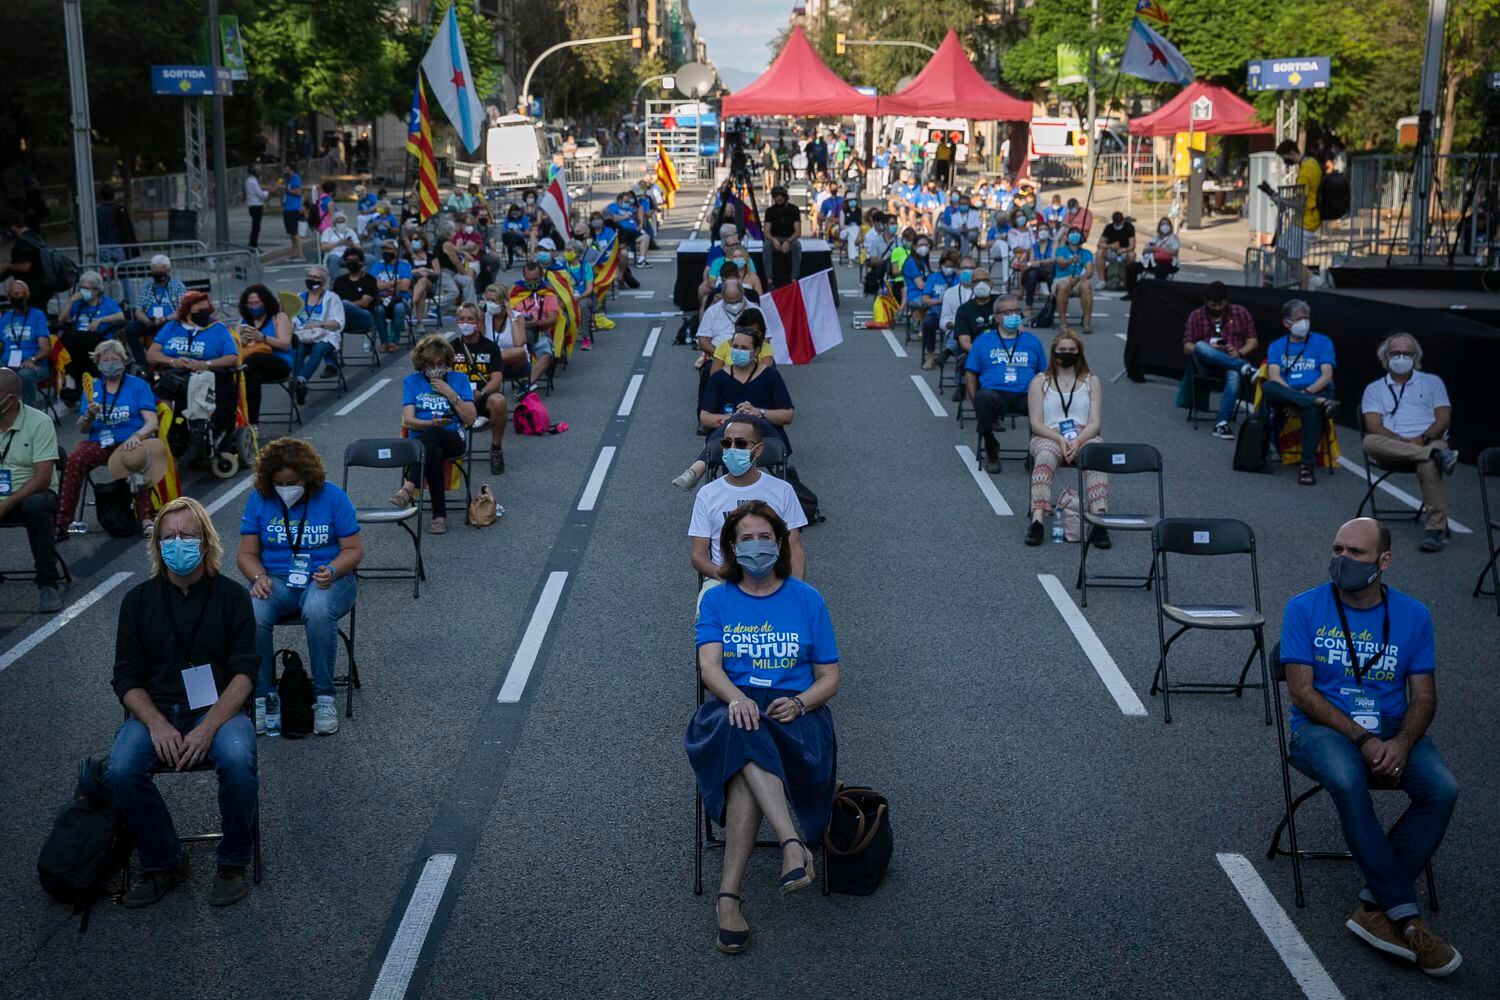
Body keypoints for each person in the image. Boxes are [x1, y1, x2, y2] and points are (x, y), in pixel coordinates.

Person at [1279, 517, 1460, 977]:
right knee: (1347, 777)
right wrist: (1363, 740)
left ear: (1384, 561)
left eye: (1355, 553)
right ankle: (1405, 915)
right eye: (1337, 549)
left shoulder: (1413, 615)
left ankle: (1372, 907)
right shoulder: (1304, 608)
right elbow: (1301, 692)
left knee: (1442, 789)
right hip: (1322, 730)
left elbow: (1424, 696)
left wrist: (1400, 743)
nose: (1342, 560)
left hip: (1393, 729)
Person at [685, 501, 840, 955]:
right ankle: (791, 842)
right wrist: (737, 697)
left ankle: (728, 899)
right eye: (746, 539)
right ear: (731, 547)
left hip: (796, 715)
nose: (756, 546)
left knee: (745, 755)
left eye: (765, 538)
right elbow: (708, 667)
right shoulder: (715, 597)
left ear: (779, 544)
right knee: (742, 725)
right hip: (732, 705)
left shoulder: (807, 599)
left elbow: (829, 678)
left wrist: (799, 701)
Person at [107, 496, 258, 908]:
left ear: (205, 543)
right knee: (120, 770)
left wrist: (208, 727)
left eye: (187, 535)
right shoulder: (137, 602)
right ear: (157, 545)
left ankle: (233, 861)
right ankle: (164, 861)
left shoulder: (231, 597)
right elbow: (125, 678)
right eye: (168, 536)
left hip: (219, 712)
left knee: (238, 762)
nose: (178, 543)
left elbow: (245, 673)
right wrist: (156, 724)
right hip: (157, 713)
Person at [237, 437, 363, 736]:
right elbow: (246, 554)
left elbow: (354, 550)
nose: (285, 489)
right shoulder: (259, 499)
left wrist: (332, 570)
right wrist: (258, 578)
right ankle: (264, 697)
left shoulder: (333, 497)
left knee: (317, 608)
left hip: (329, 580)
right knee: (251, 610)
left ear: (307, 476)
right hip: (278, 581)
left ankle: (323, 696)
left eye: (292, 482)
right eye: (279, 483)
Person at [1359, 333, 1460, 553]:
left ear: (1415, 356)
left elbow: (1444, 417)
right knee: (1369, 442)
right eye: (1396, 353)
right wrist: (1401, 441)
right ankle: (1434, 456)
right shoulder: (1374, 389)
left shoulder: (1433, 382)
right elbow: (1373, 424)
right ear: (1387, 356)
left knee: (1429, 461)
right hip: (1392, 447)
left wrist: (1422, 439)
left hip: (1430, 442)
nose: (1402, 357)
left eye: (1407, 353)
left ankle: (1434, 530)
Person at [687, 414, 808, 597]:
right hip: (723, 579)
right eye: (727, 444)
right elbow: (698, 554)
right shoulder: (707, 494)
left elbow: (795, 548)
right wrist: (725, 576)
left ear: (758, 450)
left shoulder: (783, 490)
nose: (732, 449)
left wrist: (795, 590)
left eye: (741, 444)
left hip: (774, 578)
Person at [55, 340, 159, 533]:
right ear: (98, 363)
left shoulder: (138, 386)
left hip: (130, 441)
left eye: (115, 359)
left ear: (123, 361)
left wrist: (137, 435)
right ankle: (62, 520)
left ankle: (146, 517)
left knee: (139, 457)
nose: (110, 363)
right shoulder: (92, 389)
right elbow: (83, 429)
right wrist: (89, 415)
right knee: (75, 460)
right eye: (106, 360)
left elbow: (152, 422)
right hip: (100, 442)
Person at [675, 325, 794, 491]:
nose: (738, 351)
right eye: (735, 347)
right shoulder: (718, 378)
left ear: (756, 351)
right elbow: (705, 417)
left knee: (747, 419)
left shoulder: (770, 376)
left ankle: (696, 469)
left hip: (764, 434)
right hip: (726, 436)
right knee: (736, 424)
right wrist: (731, 420)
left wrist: (759, 412)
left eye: (744, 348)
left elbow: (787, 415)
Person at [1024, 330, 1110, 548]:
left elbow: (1095, 422)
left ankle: (1099, 519)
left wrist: (1078, 440)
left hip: (1083, 434)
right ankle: (1038, 519)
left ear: (1079, 353)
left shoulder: (1091, 381)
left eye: (1072, 350)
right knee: (1044, 455)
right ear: (1054, 352)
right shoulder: (1040, 381)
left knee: (1096, 455)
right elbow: (1036, 422)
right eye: (1062, 350)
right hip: (1048, 433)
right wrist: (1060, 439)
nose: (1067, 353)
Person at [392, 334, 476, 535]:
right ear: (421, 364)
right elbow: (410, 420)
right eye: (430, 363)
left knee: (435, 435)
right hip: (422, 440)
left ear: (447, 362)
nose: (435, 367)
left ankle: (409, 485)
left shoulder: (459, 379)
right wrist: (430, 423)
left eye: (440, 363)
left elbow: (471, 419)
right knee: (433, 448)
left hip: (453, 439)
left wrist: (450, 393)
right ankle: (439, 516)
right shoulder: (411, 382)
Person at [145, 291, 240, 454]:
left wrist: (206, 364)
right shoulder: (171, 327)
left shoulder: (217, 328)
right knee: (162, 386)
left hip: (211, 375)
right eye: (199, 312)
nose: (204, 315)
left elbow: (232, 357)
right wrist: (173, 361)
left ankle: (198, 435)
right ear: (187, 312)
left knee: (196, 382)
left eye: (206, 310)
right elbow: (152, 354)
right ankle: (163, 432)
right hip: (176, 374)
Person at [0, 368, 62, 612]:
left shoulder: (39, 422)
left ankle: (47, 583)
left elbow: (43, 478)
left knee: (36, 505)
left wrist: (7, 502)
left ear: (11, 399)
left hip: (30, 495)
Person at [964, 295, 1046, 474]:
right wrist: (974, 400)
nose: (1013, 315)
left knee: (1044, 402)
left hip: (1025, 395)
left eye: (1016, 311)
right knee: (983, 398)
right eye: (1007, 312)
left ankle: (1034, 451)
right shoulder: (983, 341)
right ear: (997, 318)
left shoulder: (1032, 341)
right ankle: (991, 446)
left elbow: (1044, 374)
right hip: (994, 394)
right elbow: (970, 373)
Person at [1262, 299, 1337, 486]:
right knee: (1268, 387)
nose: (1304, 322)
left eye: (1306, 317)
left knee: (1312, 411)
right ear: (1287, 323)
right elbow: (1274, 375)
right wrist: (1295, 398)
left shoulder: (1322, 342)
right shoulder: (1277, 346)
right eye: (1299, 319)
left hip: (1317, 390)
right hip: (1289, 393)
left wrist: (1305, 394)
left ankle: (1306, 466)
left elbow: (1327, 375)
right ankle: (1316, 402)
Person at [1182, 280, 1259, 440]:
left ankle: (1221, 423)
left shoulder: (1240, 313)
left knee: (1234, 375)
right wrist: (1212, 350)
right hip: (1207, 364)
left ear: (1226, 300)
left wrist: (1239, 352)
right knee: (1201, 346)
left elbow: (1253, 341)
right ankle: (1245, 368)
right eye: (1213, 305)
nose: (1217, 308)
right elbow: (1187, 346)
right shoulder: (1196, 316)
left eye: (1220, 305)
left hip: (1232, 360)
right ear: (1206, 301)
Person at [451, 302, 510, 474]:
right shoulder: (451, 347)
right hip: (458, 398)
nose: (465, 323)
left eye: (470, 319)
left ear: (478, 322)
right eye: (461, 319)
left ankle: (496, 448)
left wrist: (481, 393)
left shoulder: (490, 347)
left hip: (482, 396)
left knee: (499, 401)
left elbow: (497, 379)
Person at [234, 285, 294, 426]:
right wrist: (241, 341)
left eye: (257, 303)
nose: (254, 306)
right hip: (251, 366)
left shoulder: (279, 317)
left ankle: (236, 378)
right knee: (253, 376)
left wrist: (263, 338)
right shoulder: (243, 322)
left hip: (278, 362)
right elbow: (234, 347)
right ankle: (252, 424)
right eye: (250, 304)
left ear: (265, 302)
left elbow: (285, 344)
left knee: (255, 360)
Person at [59, 270, 126, 391]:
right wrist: (71, 301)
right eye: (81, 288)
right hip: (78, 341)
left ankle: (92, 379)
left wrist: (100, 320)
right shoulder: (78, 303)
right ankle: (71, 380)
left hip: (98, 339)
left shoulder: (106, 303)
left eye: (87, 288)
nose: (83, 291)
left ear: (97, 289)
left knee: (78, 338)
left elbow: (120, 316)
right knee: (66, 338)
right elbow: (61, 319)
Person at [1276, 139, 1323, 290]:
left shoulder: (1304, 173)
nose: (1285, 161)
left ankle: (1312, 282)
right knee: (1281, 250)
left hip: (1305, 221)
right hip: (1302, 220)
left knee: (1294, 259)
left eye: (1284, 157)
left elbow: (1299, 204)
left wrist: (1280, 201)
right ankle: (1307, 282)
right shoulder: (1313, 163)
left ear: (1291, 154)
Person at [507, 262, 560, 396]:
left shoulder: (548, 295)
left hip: (539, 332)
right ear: (523, 277)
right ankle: (524, 382)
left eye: (535, 279)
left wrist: (537, 323)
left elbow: (553, 318)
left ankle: (526, 384)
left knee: (546, 355)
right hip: (518, 333)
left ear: (541, 277)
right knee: (516, 351)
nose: (531, 283)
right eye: (528, 280)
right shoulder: (515, 292)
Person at [126, 255, 188, 364]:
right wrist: (146, 320)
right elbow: (138, 310)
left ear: (168, 271)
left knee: (171, 329)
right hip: (150, 321)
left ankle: (168, 360)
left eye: (161, 273)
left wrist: (165, 318)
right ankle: (142, 363)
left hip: (170, 321)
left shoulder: (178, 286)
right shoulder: (146, 286)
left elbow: (181, 311)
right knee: (131, 329)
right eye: (156, 273)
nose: (158, 276)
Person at [2, 278, 51, 407]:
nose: (20, 297)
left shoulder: (37, 316)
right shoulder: (5, 319)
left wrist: (32, 359)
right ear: (9, 296)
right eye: (16, 294)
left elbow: (45, 348)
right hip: (8, 364)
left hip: (34, 365)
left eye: (23, 293)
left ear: (28, 295)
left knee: (25, 374)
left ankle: (28, 414)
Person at [919, 250, 959, 370]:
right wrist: (938, 301)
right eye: (947, 266)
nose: (949, 269)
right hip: (936, 312)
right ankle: (931, 356)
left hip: (954, 314)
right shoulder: (933, 278)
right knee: (927, 323)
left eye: (952, 266)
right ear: (941, 264)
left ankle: (951, 352)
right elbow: (924, 299)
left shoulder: (958, 279)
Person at [332, 248, 378, 355]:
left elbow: (364, 303)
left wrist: (344, 305)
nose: (351, 263)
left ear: (361, 262)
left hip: (365, 318)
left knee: (344, 304)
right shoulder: (339, 281)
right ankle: (332, 361)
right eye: (348, 260)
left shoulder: (370, 280)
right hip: (344, 321)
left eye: (354, 260)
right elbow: (333, 303)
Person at [1051, 226, 1095, 334]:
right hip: (1061, 279)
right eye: (1072, 233)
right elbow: (1060, 263)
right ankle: (1063, 322)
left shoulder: (1086, 253)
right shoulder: (1060, 250)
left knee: (1086, 285)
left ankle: (1086, 322)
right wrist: (1070, 260)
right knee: (1063, 286)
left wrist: (1079, 279)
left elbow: (1089, 271)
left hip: (1078, 280)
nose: (1075, 234)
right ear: (1067, 237)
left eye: (1077, 233)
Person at [371, 239, 413, 353]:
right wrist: (395, 283)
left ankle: (393, 341)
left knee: (399, 308)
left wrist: (383, 285)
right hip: (381, 299)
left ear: (396, 251)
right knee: (378, 310)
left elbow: (405, 286)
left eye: (388, 249)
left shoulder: (404, 266)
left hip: (400, 299)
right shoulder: (377, 266)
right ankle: (385, 342)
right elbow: (375, 286)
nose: (385, 251)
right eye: (383, 249)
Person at [1125, 217, 1179, 299]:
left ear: (1170, 227)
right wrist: (1149, 249)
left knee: (1160, 270)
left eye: (1167, 224)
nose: (1165, 226)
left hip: (1168, 263)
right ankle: (1132, 293)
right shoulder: (1155, 238)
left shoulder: (1173, 238)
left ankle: (1159, 295)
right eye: (1162, 224)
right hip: (1153, 261)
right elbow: (1145, 250)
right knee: (1132, 267)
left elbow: (1174, 252)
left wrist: (1157, 249)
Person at [762, 187, 802, 290]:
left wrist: (788, 241)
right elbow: (766, 232)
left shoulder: (794, 209)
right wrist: (773, 240)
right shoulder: (770, 211)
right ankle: (769, 280)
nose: (778, 199)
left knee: (797, 246)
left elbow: (797, 232)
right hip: (774, 238)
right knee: (766, 247)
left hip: (790, 238)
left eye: (780, 197)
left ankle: (794, 278)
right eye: (776, 197)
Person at [1094, 211, 1136, 287]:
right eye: (1116, 223)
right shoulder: (1109, 228)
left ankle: (1129, 280)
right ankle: (1102, 280)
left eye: (1119, 223)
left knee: (1132, 255)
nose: (1118, 225)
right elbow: (1099, 244)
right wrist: (1110, 246)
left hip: (1124, 251)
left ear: (1123, 220)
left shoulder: (1129, 227)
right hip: (1111, 251)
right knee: (1099, 253)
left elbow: (1132, 246)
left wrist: (1124, 250)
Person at [937, 191, 981, 256]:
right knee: (950, 234)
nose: (963, 205)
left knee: (963, 234)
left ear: (968, 204)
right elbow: (954, 228)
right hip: (959, 232)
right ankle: (948, 254)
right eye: (961, 203)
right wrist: (961, 229)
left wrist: (968, 230)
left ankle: (964, 256)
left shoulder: (974, 213)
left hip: (972, 233)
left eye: (965, 203)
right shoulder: (955, 215)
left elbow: (977, 227)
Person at [281, 161, 304, 259]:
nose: (284, 169)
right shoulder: (287, 179)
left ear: (291, 168)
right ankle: (294, 251)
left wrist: (287, 189)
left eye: (286, 167)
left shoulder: (295, 178)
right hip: (287, 208)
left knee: (295, 232)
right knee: (291, 232)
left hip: (293, 208)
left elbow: (298, 192)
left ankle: (300, 253)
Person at [244, 166, 268, 250]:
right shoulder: (253, 181)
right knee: (256, 227)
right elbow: (261, 194)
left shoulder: (248, 180)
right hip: (256, 206)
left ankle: (253, 243)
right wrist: (267, 192)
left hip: (252, 205)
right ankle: (253, 245)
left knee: (255, 226)